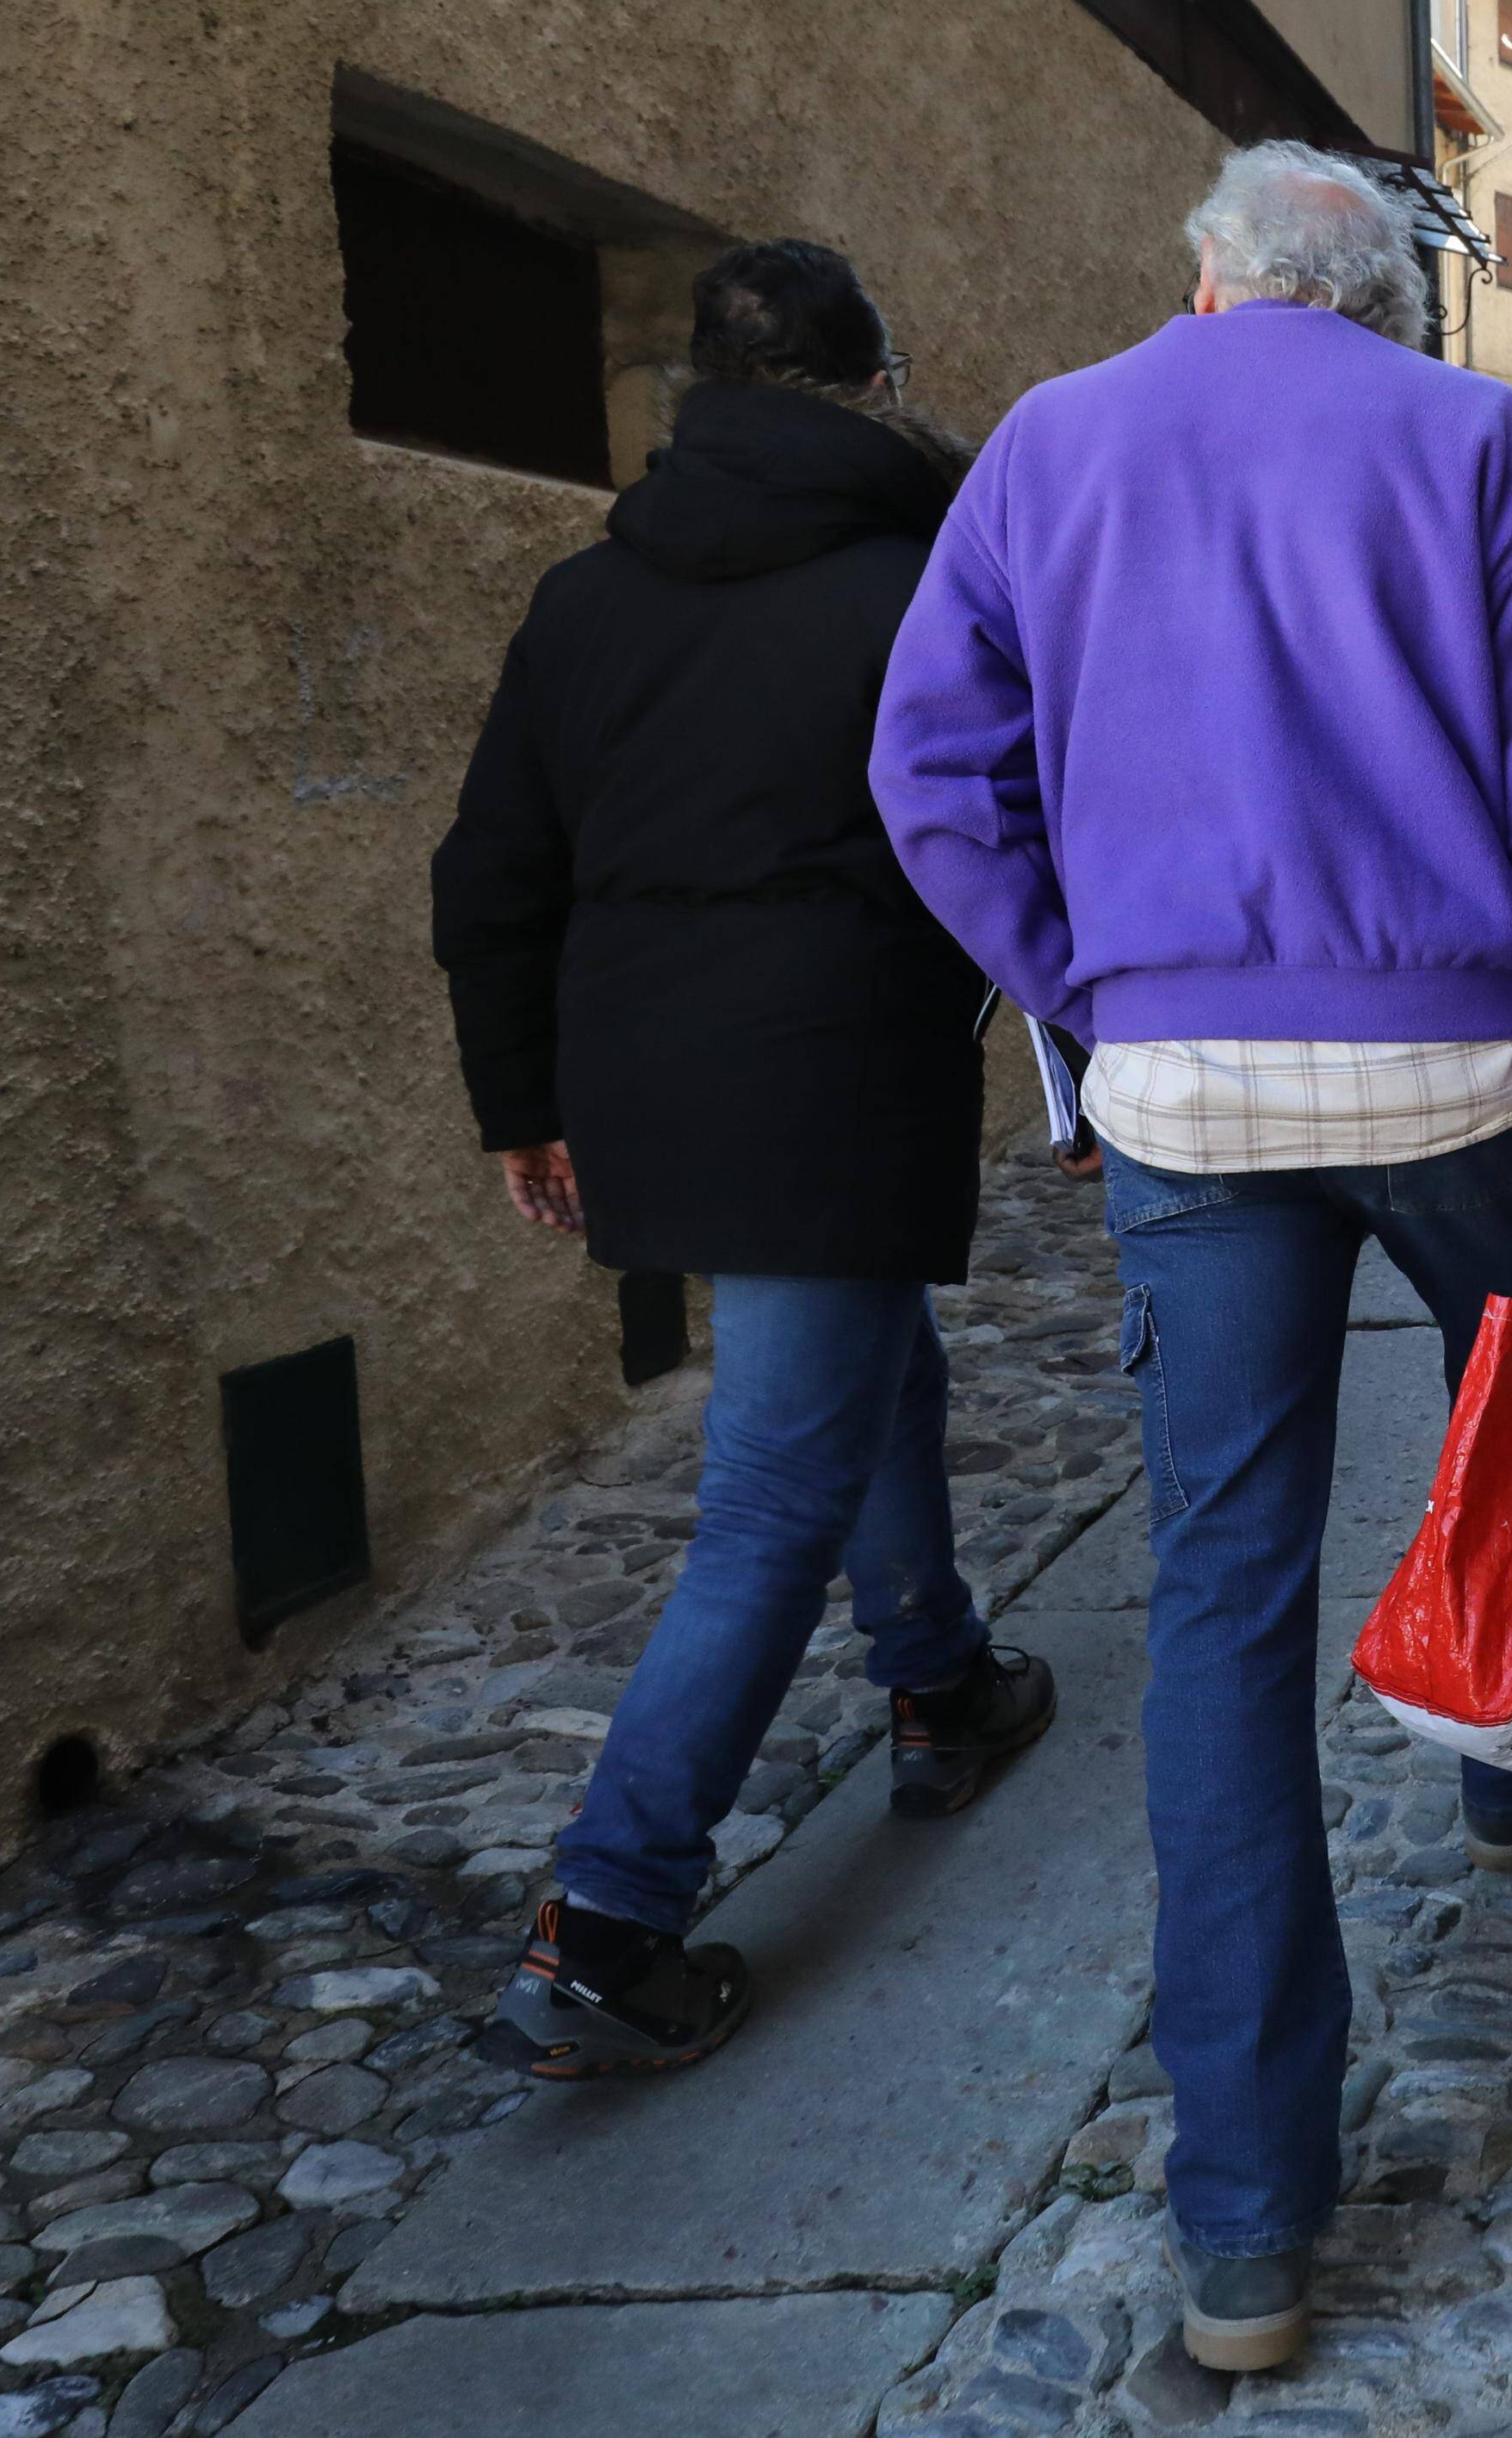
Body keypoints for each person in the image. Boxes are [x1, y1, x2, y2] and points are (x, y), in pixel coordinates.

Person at [871, 143, 1512, 2376]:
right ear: (1380, 292)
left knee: (1222, 1614)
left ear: (1210, 276)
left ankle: (1245, 2222)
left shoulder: (1053, 441)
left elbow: (930, 771)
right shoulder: (1475, 440)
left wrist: (1080, 983)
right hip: (1458, 1068)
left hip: (1184, 1094)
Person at [433, 239, 1057, 2082]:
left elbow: (492, 872)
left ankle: (940, 1674)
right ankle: (606, 1919)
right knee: (770, 1500)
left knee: (864, 1366)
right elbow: (1018, 819)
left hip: (642, 1068)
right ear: (875, 385)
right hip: (826, 1071)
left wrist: (515, 1099)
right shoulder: (930, 576)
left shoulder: (581, 597)